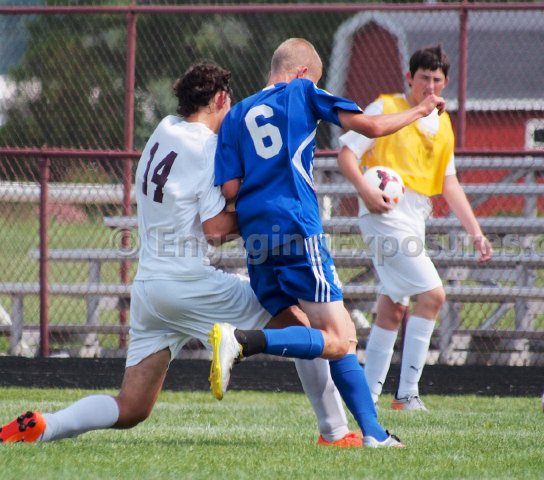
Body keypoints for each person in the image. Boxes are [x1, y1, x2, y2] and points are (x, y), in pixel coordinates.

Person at [0, 62, 362, 448]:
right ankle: (335, 433)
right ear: (220, 99)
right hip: (188, 283)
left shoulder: (164, 129)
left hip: (150, 289)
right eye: (229, 105)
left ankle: (44, 425)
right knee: (305, 329)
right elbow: (215, 230)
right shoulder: (206, 147)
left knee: (132, 406)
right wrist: (264, 211)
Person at [212, 38, 445, 448]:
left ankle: (364, 434)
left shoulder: (236, 115)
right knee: (341, 338)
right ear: (303, 73)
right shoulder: (302, 91)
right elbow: (370, 127)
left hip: (255, 235)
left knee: (317, 333)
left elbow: (230, 188)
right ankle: (243, 341)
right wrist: (421, 110)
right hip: (296, 226)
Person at [336, 45, 493, 411]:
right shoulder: (385, 108)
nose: (429, 85)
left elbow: (449, 183)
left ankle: (367, 397)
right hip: (383, 213)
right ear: (409, 77)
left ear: (445, 82)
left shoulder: (443, 124)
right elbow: (346, 155)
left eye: (436, 79)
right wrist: (365, 191)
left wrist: (476, 232)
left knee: (392, 306)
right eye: (423, 78)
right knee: (433, 295)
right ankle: (407, 394)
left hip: (415, 218)